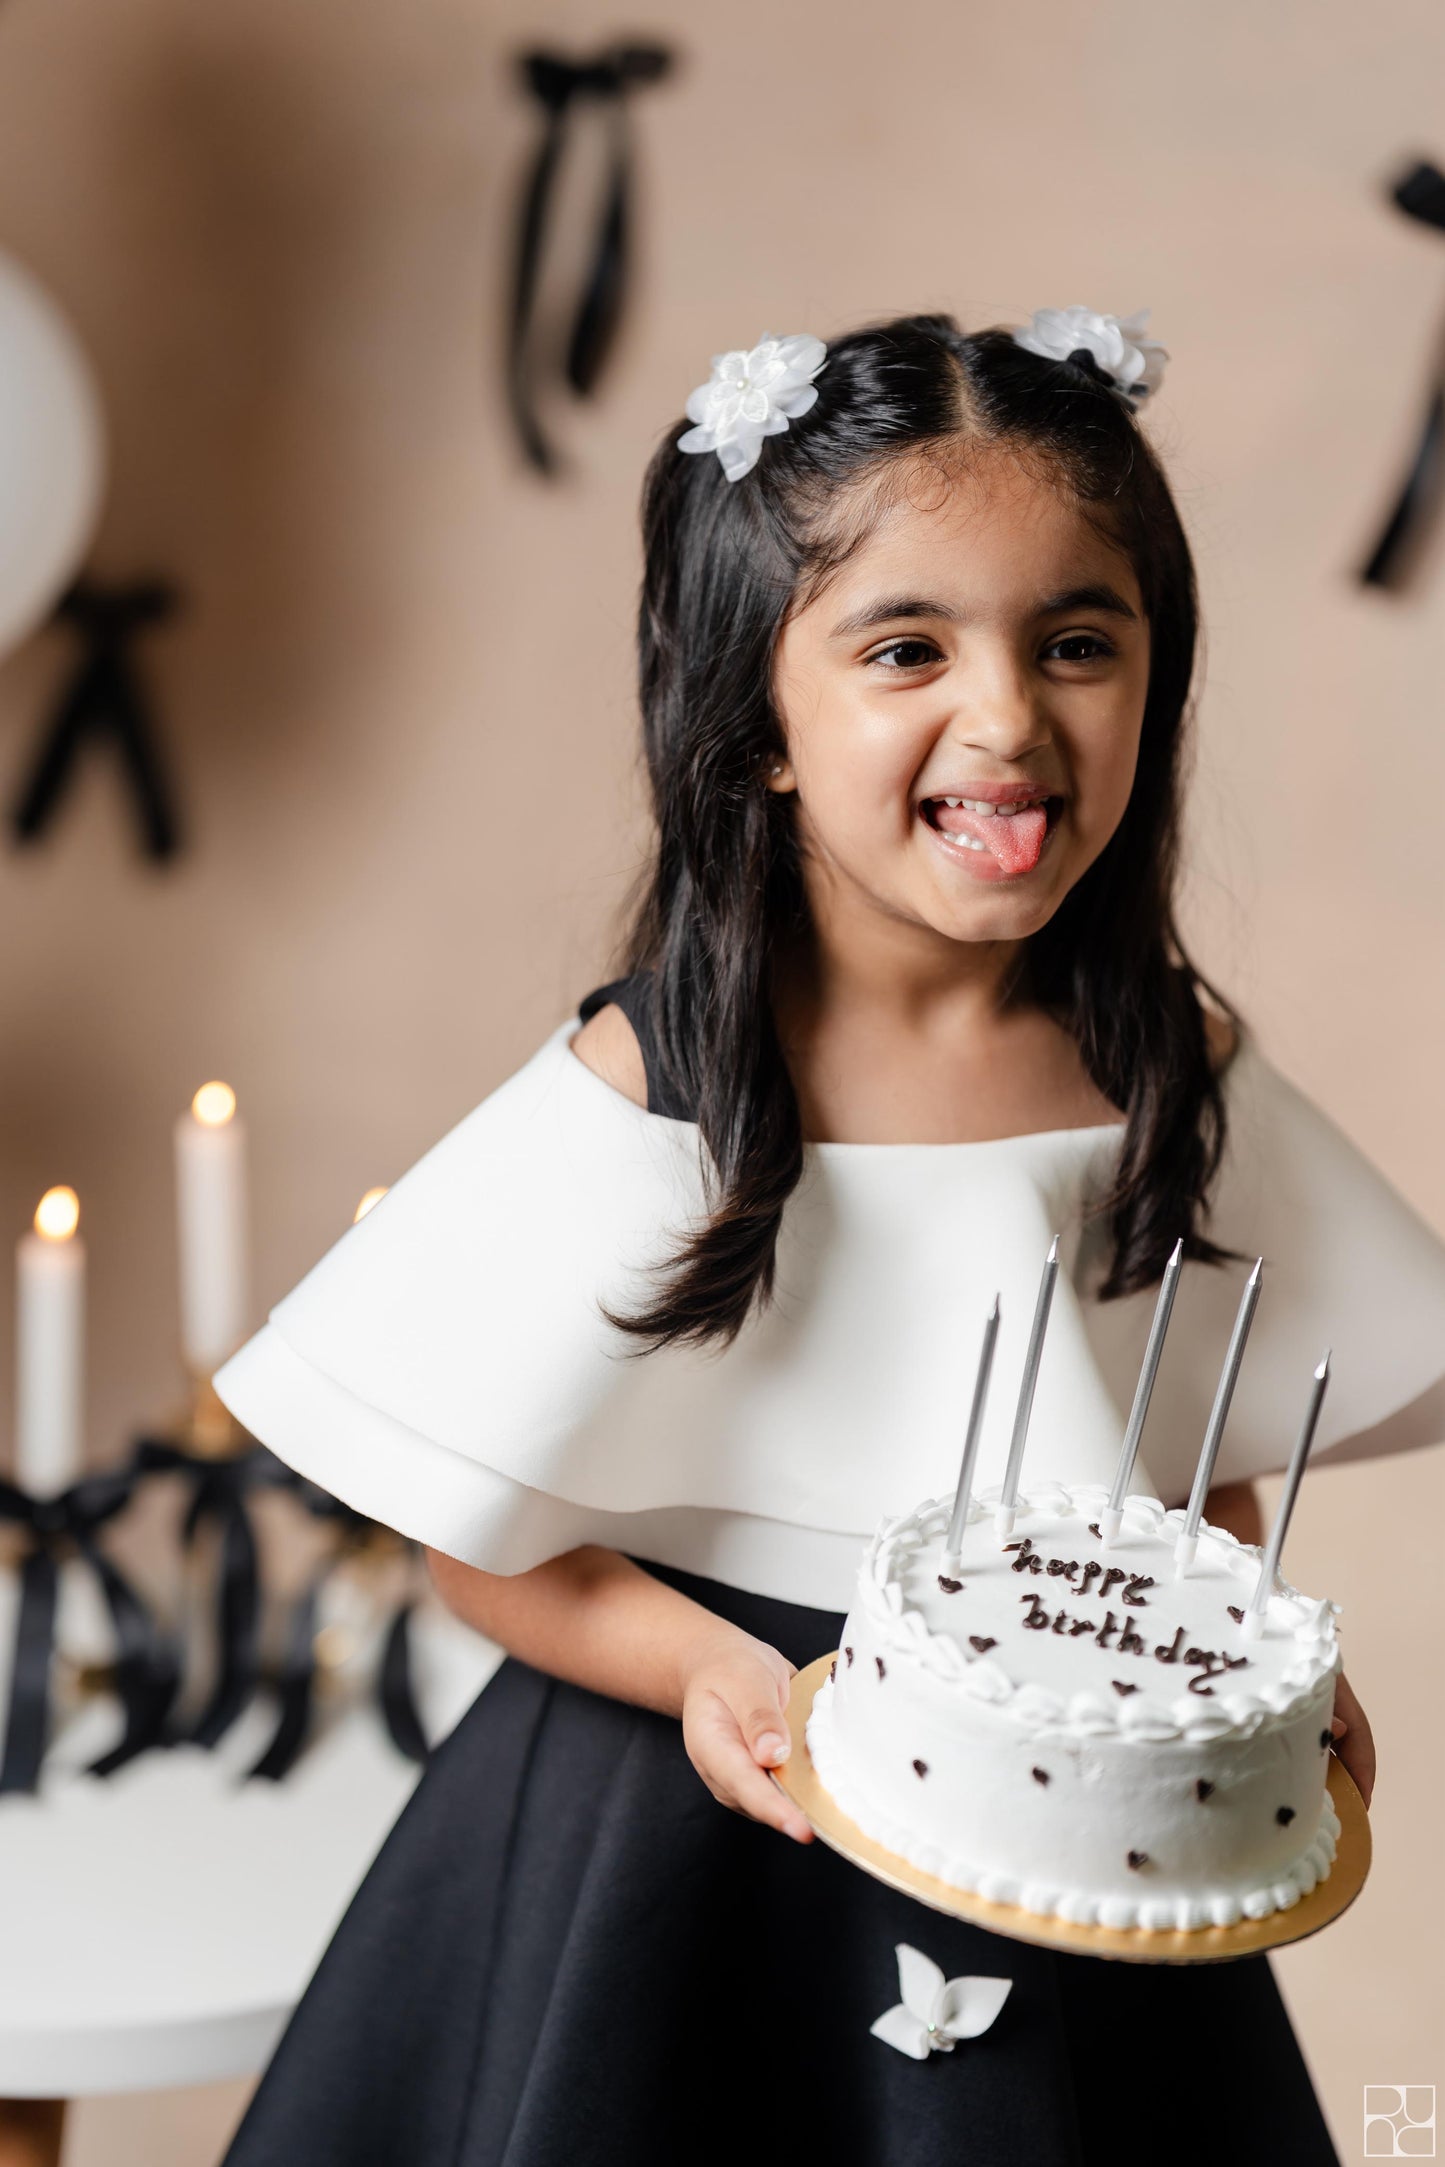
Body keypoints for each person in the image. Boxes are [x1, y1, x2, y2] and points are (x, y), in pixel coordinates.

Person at [214, 312, 1445, 2167]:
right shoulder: (662, 1076)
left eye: (1078, 643)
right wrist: (719, 1678)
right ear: (755, 719)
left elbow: (1175, 1448)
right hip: (676, 1838)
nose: (1008, 716)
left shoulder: (1158, 1062)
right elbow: (470, 1548)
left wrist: (1232, 1680)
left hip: (1064, 1835)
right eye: (901, 649)